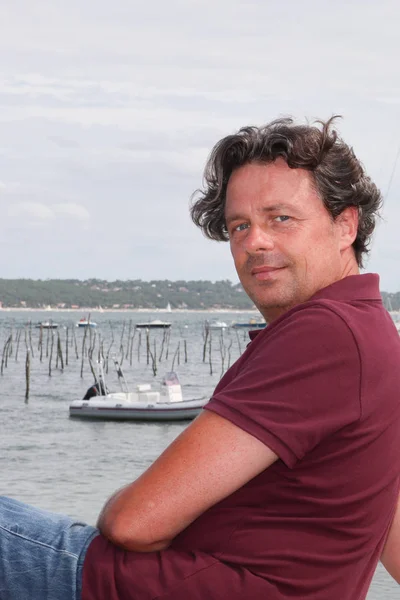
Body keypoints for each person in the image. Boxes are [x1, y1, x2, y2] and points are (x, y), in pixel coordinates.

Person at [1, 117, 399, 600]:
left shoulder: (326, 333)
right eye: (239, 225)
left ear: (345, 224)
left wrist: (120, 508)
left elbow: (134, 524)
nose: (255, 241)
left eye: (281, 218)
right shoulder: (375, 337)